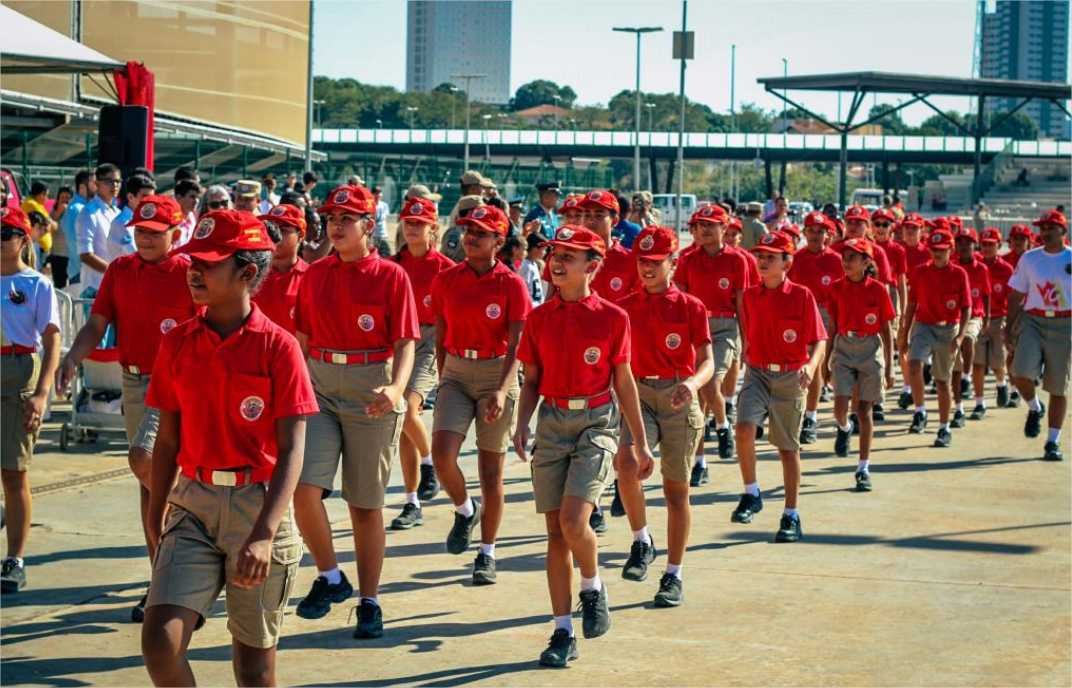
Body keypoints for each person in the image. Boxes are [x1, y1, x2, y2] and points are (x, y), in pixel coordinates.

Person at [137, 209, 313, 686]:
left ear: (248, 273)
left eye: (210, 263)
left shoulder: (278, 348)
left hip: (257, 507)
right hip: (192, 503)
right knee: (160, 642)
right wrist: (156, 514)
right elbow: (168, 439)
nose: (194, 270)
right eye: (193, 258)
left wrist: (264, 532)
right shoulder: (177, 343)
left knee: (253, 670)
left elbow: (294, 448)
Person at [513, 225, 653, 668]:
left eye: (569, 256)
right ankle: (562, 631)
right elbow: (531, 380)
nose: (556, 261)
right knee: (555, 534)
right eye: (555, 252)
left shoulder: (613, 317)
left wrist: (641, 443)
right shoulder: (538, 318)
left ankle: (591, 588)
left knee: (576, 521)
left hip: (596, 421)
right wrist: (522, 423)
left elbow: (624, 382)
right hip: (552, 421)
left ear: (592, 266)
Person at [59, 194, 197, 619]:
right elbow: (97, 323)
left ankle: (188, 541)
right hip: (133, 381)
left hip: (174, 383)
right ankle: (163, 575)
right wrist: (71, 357)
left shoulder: (191, 272)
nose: (146, 239)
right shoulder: (120, 270)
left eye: (155, 233)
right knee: (148, 483)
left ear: (175, 233)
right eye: (139, 231)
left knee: (143, 459)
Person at [291, 184, 418, 639]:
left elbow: (406, 340)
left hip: (371, 387)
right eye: (331, 218)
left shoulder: (390, 276)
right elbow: (301, 336)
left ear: (369, 225)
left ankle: (370, 600)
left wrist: (397, 388)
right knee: (303, 489)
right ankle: (330, 576)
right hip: (321, 385)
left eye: (347, 218)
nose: (336, 225)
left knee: (364, 504)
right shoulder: (314, 274)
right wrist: (298, 382)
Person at [428, 204, 529, 585]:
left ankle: (487, 552)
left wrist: (503, 390)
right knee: (442, 456)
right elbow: (440, 331)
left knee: (491, 472)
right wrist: (443, 378)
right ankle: (464, 509)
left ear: (498, 242)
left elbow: (518, 343)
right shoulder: (446, 279)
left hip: (495, 373)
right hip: (456, 371)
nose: (471, 238)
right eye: (469, 231)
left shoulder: (511, 284)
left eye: (481, 233)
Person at [616, 225, 713, 605]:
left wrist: (692, 384)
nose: (648, 269)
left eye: (657, 262)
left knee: (676, 492)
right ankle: (641, 540)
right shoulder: (625, 307)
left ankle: (674, 573)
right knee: (626, 465)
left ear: (674, 263)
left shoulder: (691, 306)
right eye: (643, 261)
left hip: (677, 397)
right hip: (638, 394)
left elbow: (707, 359)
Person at [732, 231, 827, 542]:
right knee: (744, 428)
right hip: (757, 373)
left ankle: (791, 514)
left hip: (790, 377)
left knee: (787, 449)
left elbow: (819, 340)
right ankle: (751, 492)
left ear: (787, 262)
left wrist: (811, 368)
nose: (762, 261)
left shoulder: (801, 296)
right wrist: (747, 353)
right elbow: (748, 331)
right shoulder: (748, 296)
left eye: (771, 257)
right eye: (760, 255)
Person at [0, 206, 61, 594]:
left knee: (14, 471)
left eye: (7, 231)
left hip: (20, 369)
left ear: (24, 238)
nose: (1, 237)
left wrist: (42, 393)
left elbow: (52, 338)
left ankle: (14, 558)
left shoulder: (37, 284)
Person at [389, 198, 454, 531]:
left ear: (433, 228)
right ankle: (412, 501)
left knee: (408, 408)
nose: (412, 227)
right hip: (399, 341)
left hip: (429, 340)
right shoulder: (393, 264)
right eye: (408, 222)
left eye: (420, 222)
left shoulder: (444, 268)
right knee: (402, 423)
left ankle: (430, 465)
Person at [675, 204, 749, 476]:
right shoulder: (687, 259)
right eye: (700, 224)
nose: (704, 229)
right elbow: (680, 299)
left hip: (724, 327)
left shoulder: (737, 260)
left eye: (711, 224)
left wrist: (746, 340)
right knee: (695, 398)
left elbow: (742, 304)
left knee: (711, 382)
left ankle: (721, 424)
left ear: (724, 228)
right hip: (694, 329)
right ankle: (699, 462)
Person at [824, 238, 895, 492]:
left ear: (866, 262)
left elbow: (886, 330)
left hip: (869, 349)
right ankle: (844, 427)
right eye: (844, 257)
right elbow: (832, 326)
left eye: (852, 258)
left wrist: (889, 367)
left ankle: (863, 468)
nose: (846, 262)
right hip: (844, 348)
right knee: (840, 407)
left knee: (864, 411)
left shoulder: (877, 290)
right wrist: (826, 360)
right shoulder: (835, 288)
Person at [1006, 209, 1071, 461]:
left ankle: (1052, 442)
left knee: (1057, 386)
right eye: (1042, 228)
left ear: (1063, 231)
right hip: (1033, 320)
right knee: (1020, 373)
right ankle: (1034, 407)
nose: (1044, 232)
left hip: (1065, 324)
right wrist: (1009, 326)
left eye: (1050, 227)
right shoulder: (1030, 259)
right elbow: (1015, 295)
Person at [898, 229, 972, 448]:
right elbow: (912, 304)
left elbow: (966, 307)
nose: (937, 254)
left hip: (948, 328)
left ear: (951, 250)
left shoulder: (959, 274)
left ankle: (943, 427)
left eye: (942, 250)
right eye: (934, 249)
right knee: (914, 364)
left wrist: (960, 335)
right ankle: (920, 411)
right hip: (923, 325)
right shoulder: (920, 272)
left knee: (942, 381)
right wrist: (905, 331)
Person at [789, 211, 844, 444]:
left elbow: (844, 292)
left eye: (820, 231)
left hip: (824, 314)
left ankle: (810, 417)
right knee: (794, 365)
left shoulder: (836, 260)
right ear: (804, 233)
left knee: (816, 365)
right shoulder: (795, 258)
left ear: (828, 235)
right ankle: (794, 414)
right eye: (811, 230)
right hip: (796, 314)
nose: (815, 235)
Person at [949, 228, 991, 428]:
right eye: (960, 242)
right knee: (954, 368)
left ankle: (968, 380)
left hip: (975, 315)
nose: (964, 246)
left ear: (976, 246)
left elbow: (986, 294)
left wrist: (988, 316)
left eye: (968, 242)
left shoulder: (981, 268)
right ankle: (958, 409)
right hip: (953, 318)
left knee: (967, 339)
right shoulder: (952, 266)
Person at [972, 228, 1015, 416]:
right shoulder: (975, 266)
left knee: (998, 362)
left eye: (991, 244)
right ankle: (979, 403)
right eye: (984, 244)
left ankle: (1001, 384)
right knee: (978, 363)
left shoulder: (1006, 269)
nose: (987, 248)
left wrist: (1011, 324)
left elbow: (1011, 297)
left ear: (999, 246)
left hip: (998, 319)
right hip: (979, 319)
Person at [870, 208, 907, 422]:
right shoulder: (863, 247)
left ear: (892, 227)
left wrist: (901, 309)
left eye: (885, 224)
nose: (881, 228)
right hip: (865, 295)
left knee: (886, 344)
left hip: (888, 294)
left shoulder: (896, 250)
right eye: (877, 224)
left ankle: (880, 398)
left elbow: (900, 281)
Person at [253, 204, 309, 334]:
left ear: (300, 235)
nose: (275, 236)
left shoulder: (311, 277)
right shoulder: (251, 274)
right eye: (271, 229)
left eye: (283, 230)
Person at [583, 190, 638, 304]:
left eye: (599, 215)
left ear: (615, 220)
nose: (591, 220)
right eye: (587, 215)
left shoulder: (631, 260)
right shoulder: (573, 257)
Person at [77, 163, 123, 295]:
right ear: (96, 184)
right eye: (109, 181)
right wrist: (114, 272)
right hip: (95, 287)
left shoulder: (117, 212)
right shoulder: (88, 213)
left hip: (115, 285)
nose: (114, 185)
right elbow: (85, 255)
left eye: (117, 181)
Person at [106, 174, 157, 260]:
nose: (150, 202)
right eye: (145, 197)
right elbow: (141, 257)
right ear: (130, 197)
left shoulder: (146, 221)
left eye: (152, 198)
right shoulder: (121, 224)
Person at [61, 170, 95, 289]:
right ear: (82, 187)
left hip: (78, 270)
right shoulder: (80, 210)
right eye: (94, 184)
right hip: (82, 272)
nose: (97, 187)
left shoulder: (74, 208)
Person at [440, 195, 484, 262]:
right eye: (480, 212)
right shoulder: (456, 234)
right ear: (470, 212)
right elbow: (447, 261)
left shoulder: (472, 231)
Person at [21, 181, 56, 263]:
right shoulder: (32, 204)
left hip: (39, 248)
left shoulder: (38, 204)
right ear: (41, 194)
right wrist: (51, 223)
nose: (47, 198)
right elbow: (48, 225)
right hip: (36, 247)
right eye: (46, 195)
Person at [46, 185, 72, 288]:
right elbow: (51, 228)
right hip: (57, 254)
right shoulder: (53, 212)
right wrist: (59, 212)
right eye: (62, 197)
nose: (65, 200)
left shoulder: (75, 211)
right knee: (59, 285)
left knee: (72, 286)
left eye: (67, 197)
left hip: (71, 255)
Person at [521, 233, 548, 306]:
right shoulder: (525, 266)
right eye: (544, 250)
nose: (545, 253)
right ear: (535, 249)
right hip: (530, 307)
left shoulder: (534, 264)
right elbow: (524, 290)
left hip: (537, 306)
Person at [173, 179, 202, 247]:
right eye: (192, 197)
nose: (196, 201)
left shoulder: (192, 217)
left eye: (198, 198)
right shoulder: (170, 219)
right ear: (179, 197)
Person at [371, 186, 391, 256]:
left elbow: (384, 218)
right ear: (372, 194)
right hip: (372, 235)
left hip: (382, 234)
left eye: (379, 193)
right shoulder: (370, 205)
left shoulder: (384, 205)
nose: (378, 195)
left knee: (385, 254)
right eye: (376, 193)